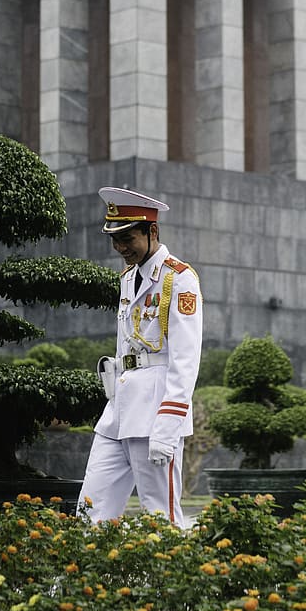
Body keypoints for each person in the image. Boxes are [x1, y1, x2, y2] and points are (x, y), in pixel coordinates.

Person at [77, 186, 203, 527]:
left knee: (161, 516)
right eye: (114, 239)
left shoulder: (179, 280)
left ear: (152, 231)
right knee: (91, 510)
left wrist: (169, 425)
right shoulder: (128, 278)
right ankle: (81, 580)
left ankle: (177, 581)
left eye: (127, 238)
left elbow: (185, 359)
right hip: (119, 409)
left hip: (155, 413)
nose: (120, 248)